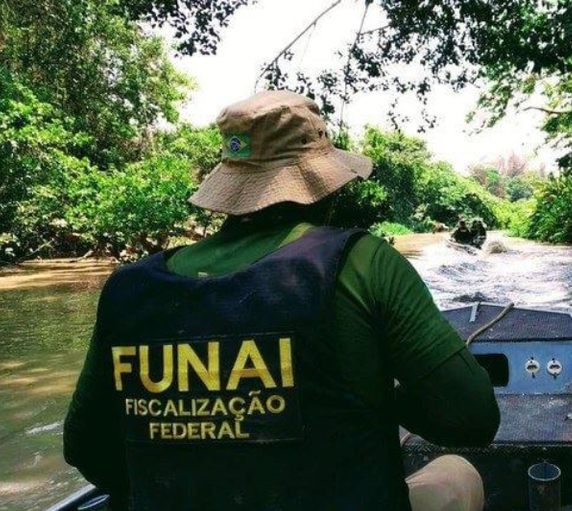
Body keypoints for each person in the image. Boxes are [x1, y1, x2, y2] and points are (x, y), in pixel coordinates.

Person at [64, 90, 499, 511]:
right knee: (458, 473)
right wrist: (376, 392)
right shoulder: (364, 262)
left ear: (230, 194)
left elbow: (88, 450)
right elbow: (473, 417)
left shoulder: (128, 288)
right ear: (326, 186)